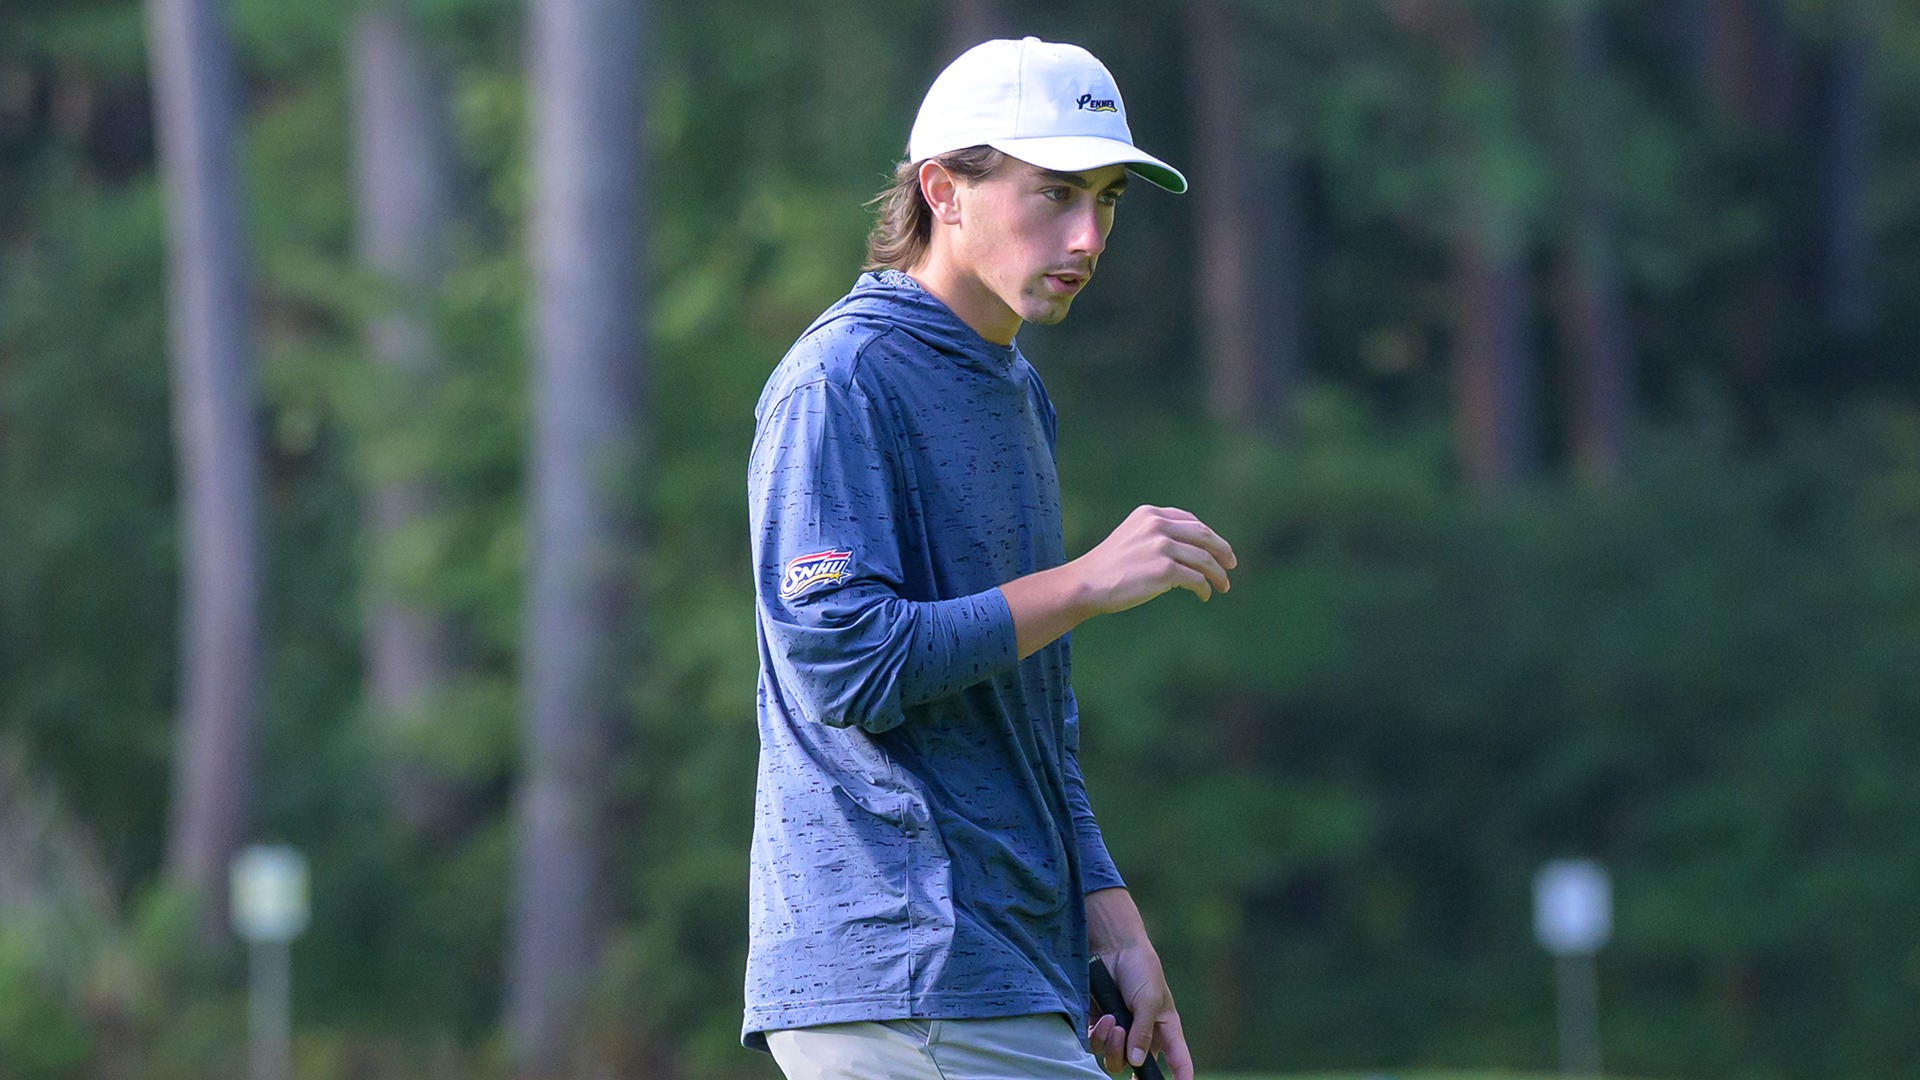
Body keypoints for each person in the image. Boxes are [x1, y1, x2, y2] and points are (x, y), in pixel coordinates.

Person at [744, 36, 1236, 1080]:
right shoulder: (840, 380)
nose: (1089, 234)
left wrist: (1107, 919)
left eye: (1106, 199)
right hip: (901, 979)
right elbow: (843, 663)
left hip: (1007, 971)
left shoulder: (1014, 388)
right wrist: (1086, 583)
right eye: (1054, 193)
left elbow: (1027, 716)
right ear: (943, 190)